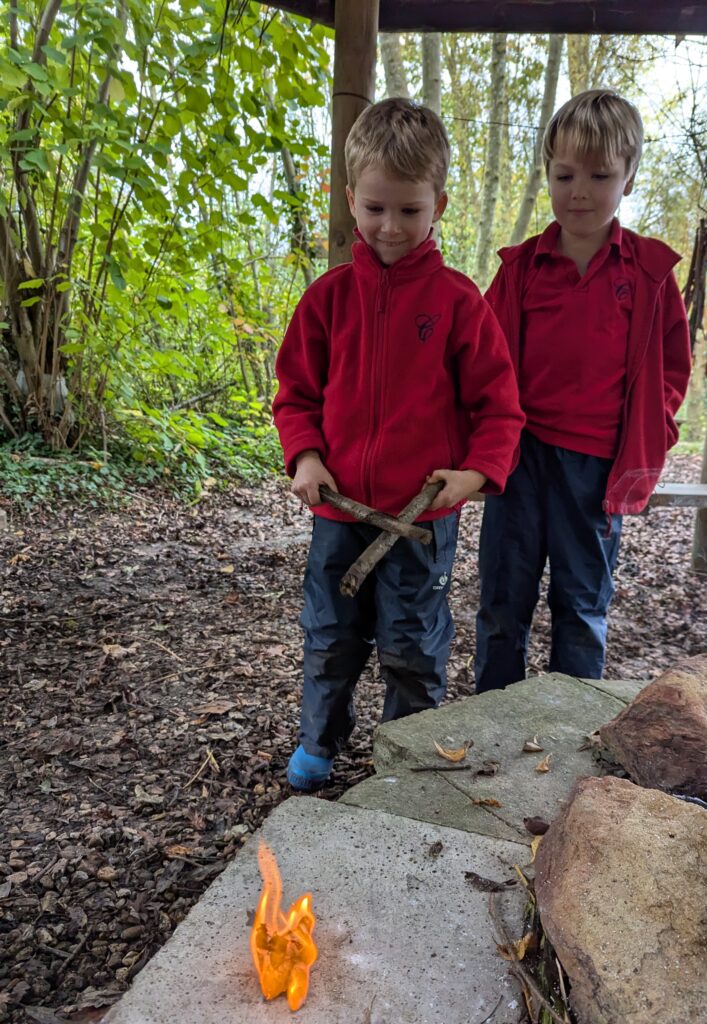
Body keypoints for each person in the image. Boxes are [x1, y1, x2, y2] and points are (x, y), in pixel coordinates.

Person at [273, 98, 525, 790]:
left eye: (409, 211)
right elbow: (294, 393)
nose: (390, 226)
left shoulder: (457, 303)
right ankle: (319, 744)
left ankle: (405, 763)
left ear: (437, 204)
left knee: (413, 646)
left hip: (419, 526)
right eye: (376, 207)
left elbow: (500, 409)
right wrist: (306, 456)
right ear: (349, 198)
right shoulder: (326, 300)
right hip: (338, 514)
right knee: (329, 639)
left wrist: (474, 474)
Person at [475, 89, 691, 692]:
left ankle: (569, 735)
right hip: (518, 462)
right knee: (501, 603)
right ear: (547, 172)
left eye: (600, 175)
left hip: (595, 468)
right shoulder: (520, 268)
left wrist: (655, 431)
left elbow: (672, 371)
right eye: (565, 174)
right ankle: (490, 721)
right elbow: (483, 362)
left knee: (581, 607)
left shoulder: (646, 275)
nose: (580, 191)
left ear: (628, 178)